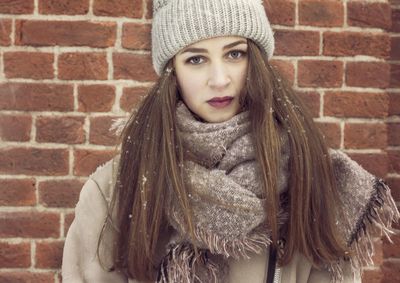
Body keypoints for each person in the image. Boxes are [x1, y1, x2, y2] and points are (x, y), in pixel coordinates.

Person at [61, 0, 399, 282]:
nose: (220, 79)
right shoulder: (116, 191)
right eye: (196, 59)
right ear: (172, 71)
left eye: (235, 54)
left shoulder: (310, 179)